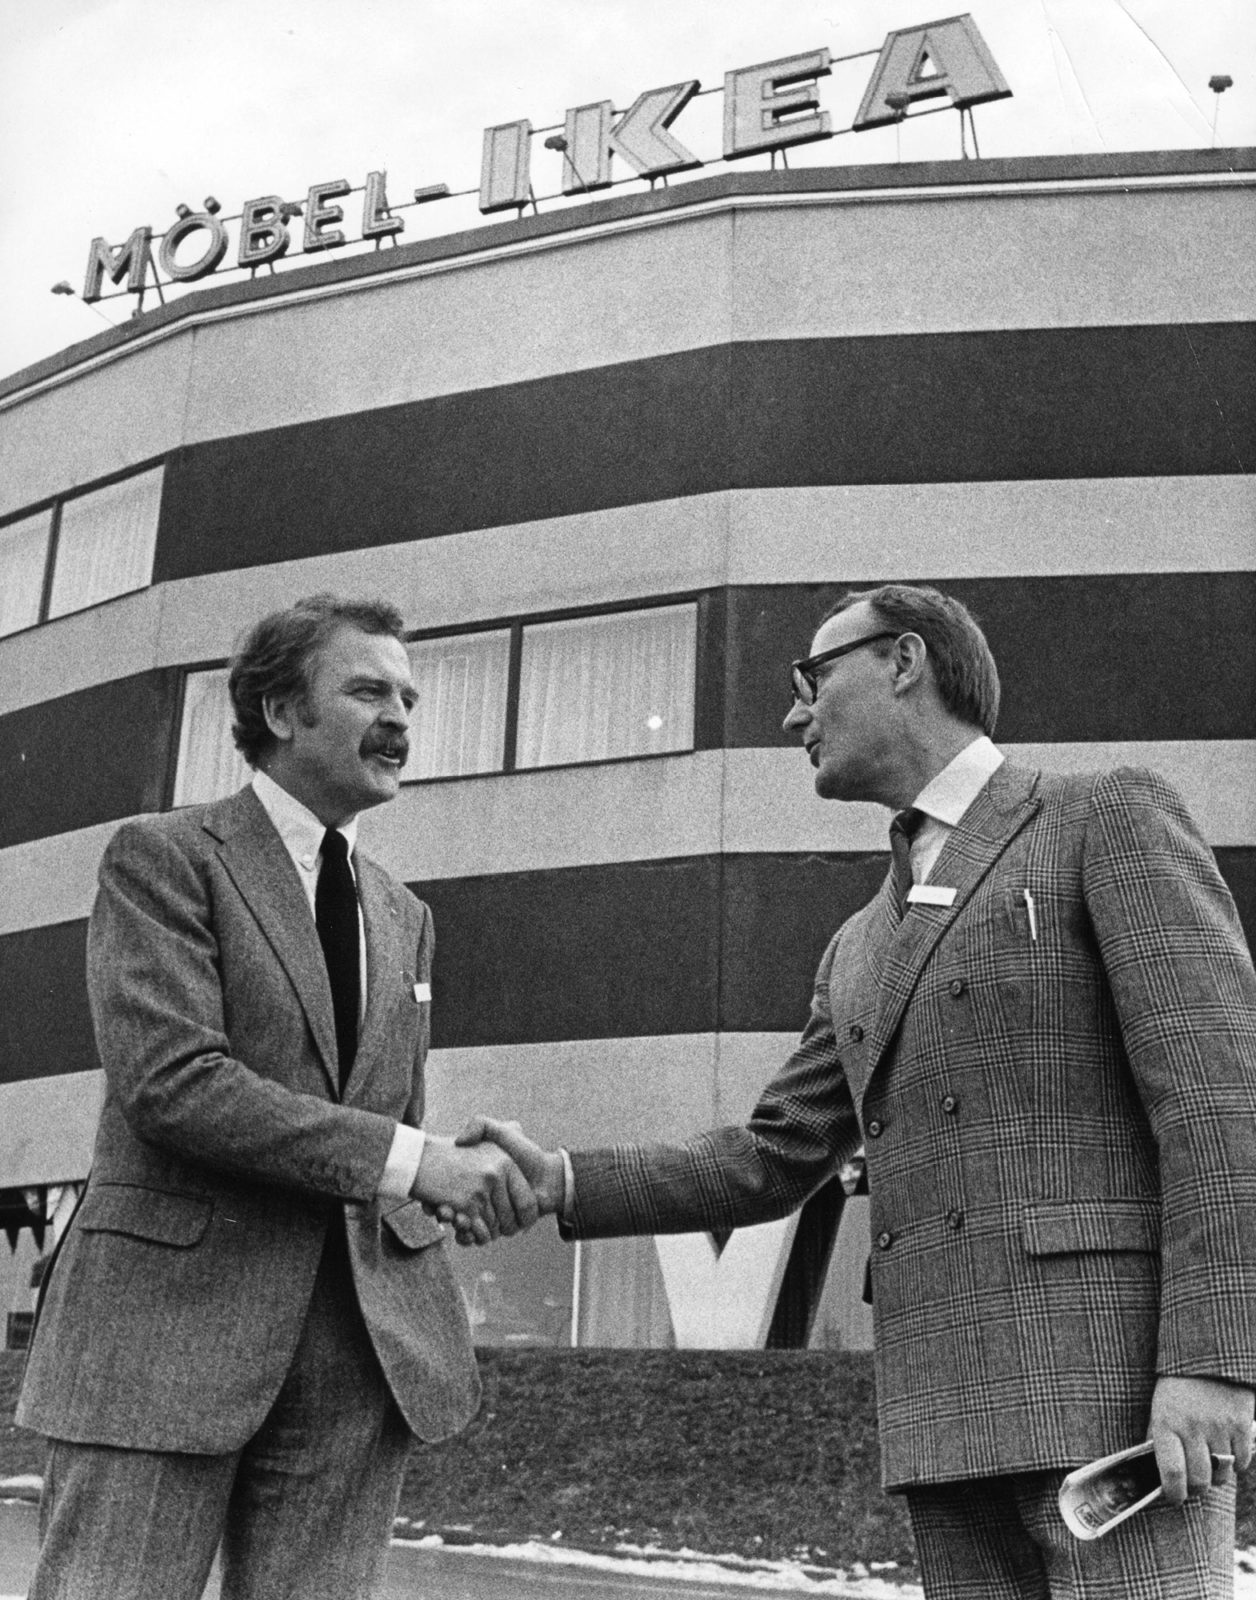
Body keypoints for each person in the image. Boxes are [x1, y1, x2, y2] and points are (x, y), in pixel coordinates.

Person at [456, 583, 1256, 1599]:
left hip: (1113, 1413)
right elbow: (767, 1157)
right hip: (941, 1419)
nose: (793, 715)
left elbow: (1220, 1105)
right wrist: (562, 1179)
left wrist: (1215, 1359)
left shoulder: (1104, 815)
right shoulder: (856, 944)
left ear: (903, 660)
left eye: (810, 677)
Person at [17, 594, 537, 1600]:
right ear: (281, 710)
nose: (399, 717)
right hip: (162, 1340)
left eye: (409, 697)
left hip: (358, 1348)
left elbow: (386, 1118)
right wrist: (411, 1156)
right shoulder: (163, 857)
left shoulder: (405, 913)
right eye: (367, 689)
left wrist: (460, 1173)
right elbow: (175, 1085)